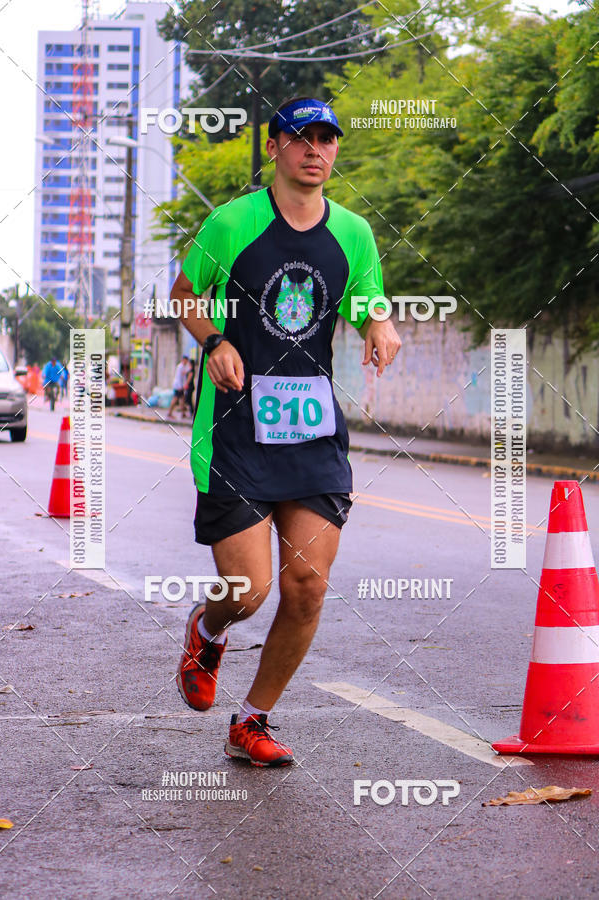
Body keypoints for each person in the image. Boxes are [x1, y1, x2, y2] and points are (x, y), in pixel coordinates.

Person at [169, 97, 402, 767]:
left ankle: (252, 720)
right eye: (301, 137)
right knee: (249, 591)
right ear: (274, 147)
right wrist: (214, 339)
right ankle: (207, 630)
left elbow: (368, 301)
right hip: (236, 430)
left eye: (326, 138)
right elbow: (185, 292)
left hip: (312, 430)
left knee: (306, 586)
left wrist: (382, 326)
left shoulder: (353, 232)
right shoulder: (233, 222)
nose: (315, 150)